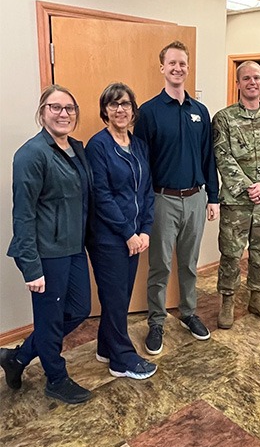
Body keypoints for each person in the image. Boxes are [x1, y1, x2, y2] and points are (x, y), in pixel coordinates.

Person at [0, 85, 92, 404]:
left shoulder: (76, 148)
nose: (63, 114)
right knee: (50, 321)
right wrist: (31, 267)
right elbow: (22, 214)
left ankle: (18, 358)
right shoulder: (31, 154)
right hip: (47, 253)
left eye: (69, 108)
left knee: (80, 309)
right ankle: (56, 378)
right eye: (55, 107)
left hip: (74, 247)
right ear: (42, 112)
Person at [134, 41, 219, 354]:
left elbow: (208, 156)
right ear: (162, 68)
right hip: (162, 200)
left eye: (182, 63)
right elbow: (141, 164)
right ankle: (156, 321)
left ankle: (189, 313)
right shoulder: (149, 112)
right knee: (159, 266)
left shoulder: (200, 111)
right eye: (172, 63)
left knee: (190, 264)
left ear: (187, 67)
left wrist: (213, 197)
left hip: (196, 198)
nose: (178, 68)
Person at [85, 83, 157, 380]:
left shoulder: (138, 145)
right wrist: (128, 232)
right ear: (105, 110)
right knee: (115, 298)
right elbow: (101, 195)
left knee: (120, 295)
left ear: (133, 109)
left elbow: (147, 191)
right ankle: (121, 359)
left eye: (125, 104)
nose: (120, 110)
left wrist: (145, 230)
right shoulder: (98, 146)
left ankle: (105, 346)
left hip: (134, 237)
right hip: (108, 238)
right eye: (113, 104)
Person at [213, 60, 260, 329]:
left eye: (256, 78)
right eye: (246, 78)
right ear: (238, 84)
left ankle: (257, 297)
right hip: (237, 201)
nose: (252, 82)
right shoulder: (224, 118)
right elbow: (222, 155)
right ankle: (227, 300)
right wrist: (248, 186)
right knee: (231, 253)